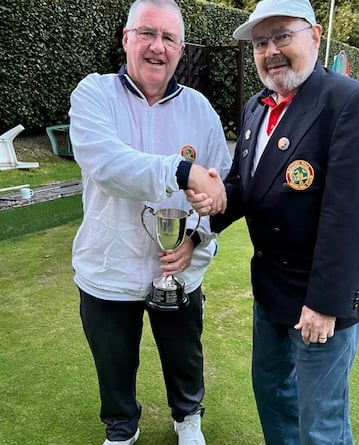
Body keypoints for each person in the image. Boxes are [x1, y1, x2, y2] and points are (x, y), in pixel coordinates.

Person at [186, 0, 359, 444]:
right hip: (272, 288)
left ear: (314, 37)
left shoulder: (349, 101)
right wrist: (215, 204)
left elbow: (352, 215)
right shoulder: (257, 106)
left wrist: (324, 303)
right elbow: (246, 185)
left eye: (283, 36)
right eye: (261, 42)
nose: (271, 50)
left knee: (321, 419)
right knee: (273, 397)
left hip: (322, 296)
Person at [68, 0, 232, 444]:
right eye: (147, 33)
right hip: (108, 267)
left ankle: (188, 420)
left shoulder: (199, 109)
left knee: (184, 354)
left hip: (179, 268)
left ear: (180, 49)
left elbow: (222, 184)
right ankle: (121, 428)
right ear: (126, 39)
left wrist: (196, 237)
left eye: (169, 38)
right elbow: (108, 164)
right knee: (113, 361)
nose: (157, 46)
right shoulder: (94, 93)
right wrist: (182, 171)